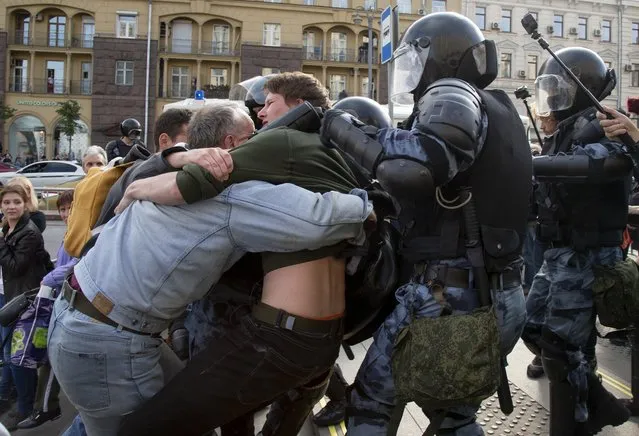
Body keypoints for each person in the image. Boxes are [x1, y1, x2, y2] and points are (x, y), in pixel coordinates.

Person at [116, 71, 365, 436]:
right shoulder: (333, 151)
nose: (261, 113)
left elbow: (191, 184)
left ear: (299, 107)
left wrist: (137, 187)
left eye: (269, 103)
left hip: (280, 334)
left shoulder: (285, 140)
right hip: (325, 337)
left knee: (140, 429)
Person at [319, 12, 530, 435]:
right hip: (498, 293)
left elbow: (417, 167)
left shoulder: (451, 92)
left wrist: (338, 126)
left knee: (371, 405)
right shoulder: (501, 110)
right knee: (452, 415)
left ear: (438, 57)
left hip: (448, 298)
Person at [521, 47, 632, 435]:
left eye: (559, 89)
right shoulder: (567, 131)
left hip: (586, 256)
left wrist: (522, 163)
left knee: (564, 349)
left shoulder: (603, 124)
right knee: (531, 325)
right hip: (559, 254)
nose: (551, 99)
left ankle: (576, 424)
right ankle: (601, 404)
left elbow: (593, 165)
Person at [17, 190, 76, 430]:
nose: (64, 214)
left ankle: (47, 408)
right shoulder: (70, 233)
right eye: (62, 210)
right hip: (61, 301)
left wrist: (49, 277)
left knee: (52, 355)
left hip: (70, 305)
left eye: (69, 209)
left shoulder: (83, 232)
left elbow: (77, 263)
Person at [0, 184, 52, 430]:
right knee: (12, 355)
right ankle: (18, 403)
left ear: (25, 204)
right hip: (13, 297)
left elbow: (15, 267)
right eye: (7, 202)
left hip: (26, 302)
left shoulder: (28, 232)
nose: (11, 207)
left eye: (16, 202)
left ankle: (25, 408)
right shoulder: (9, 228)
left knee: (20, 358)